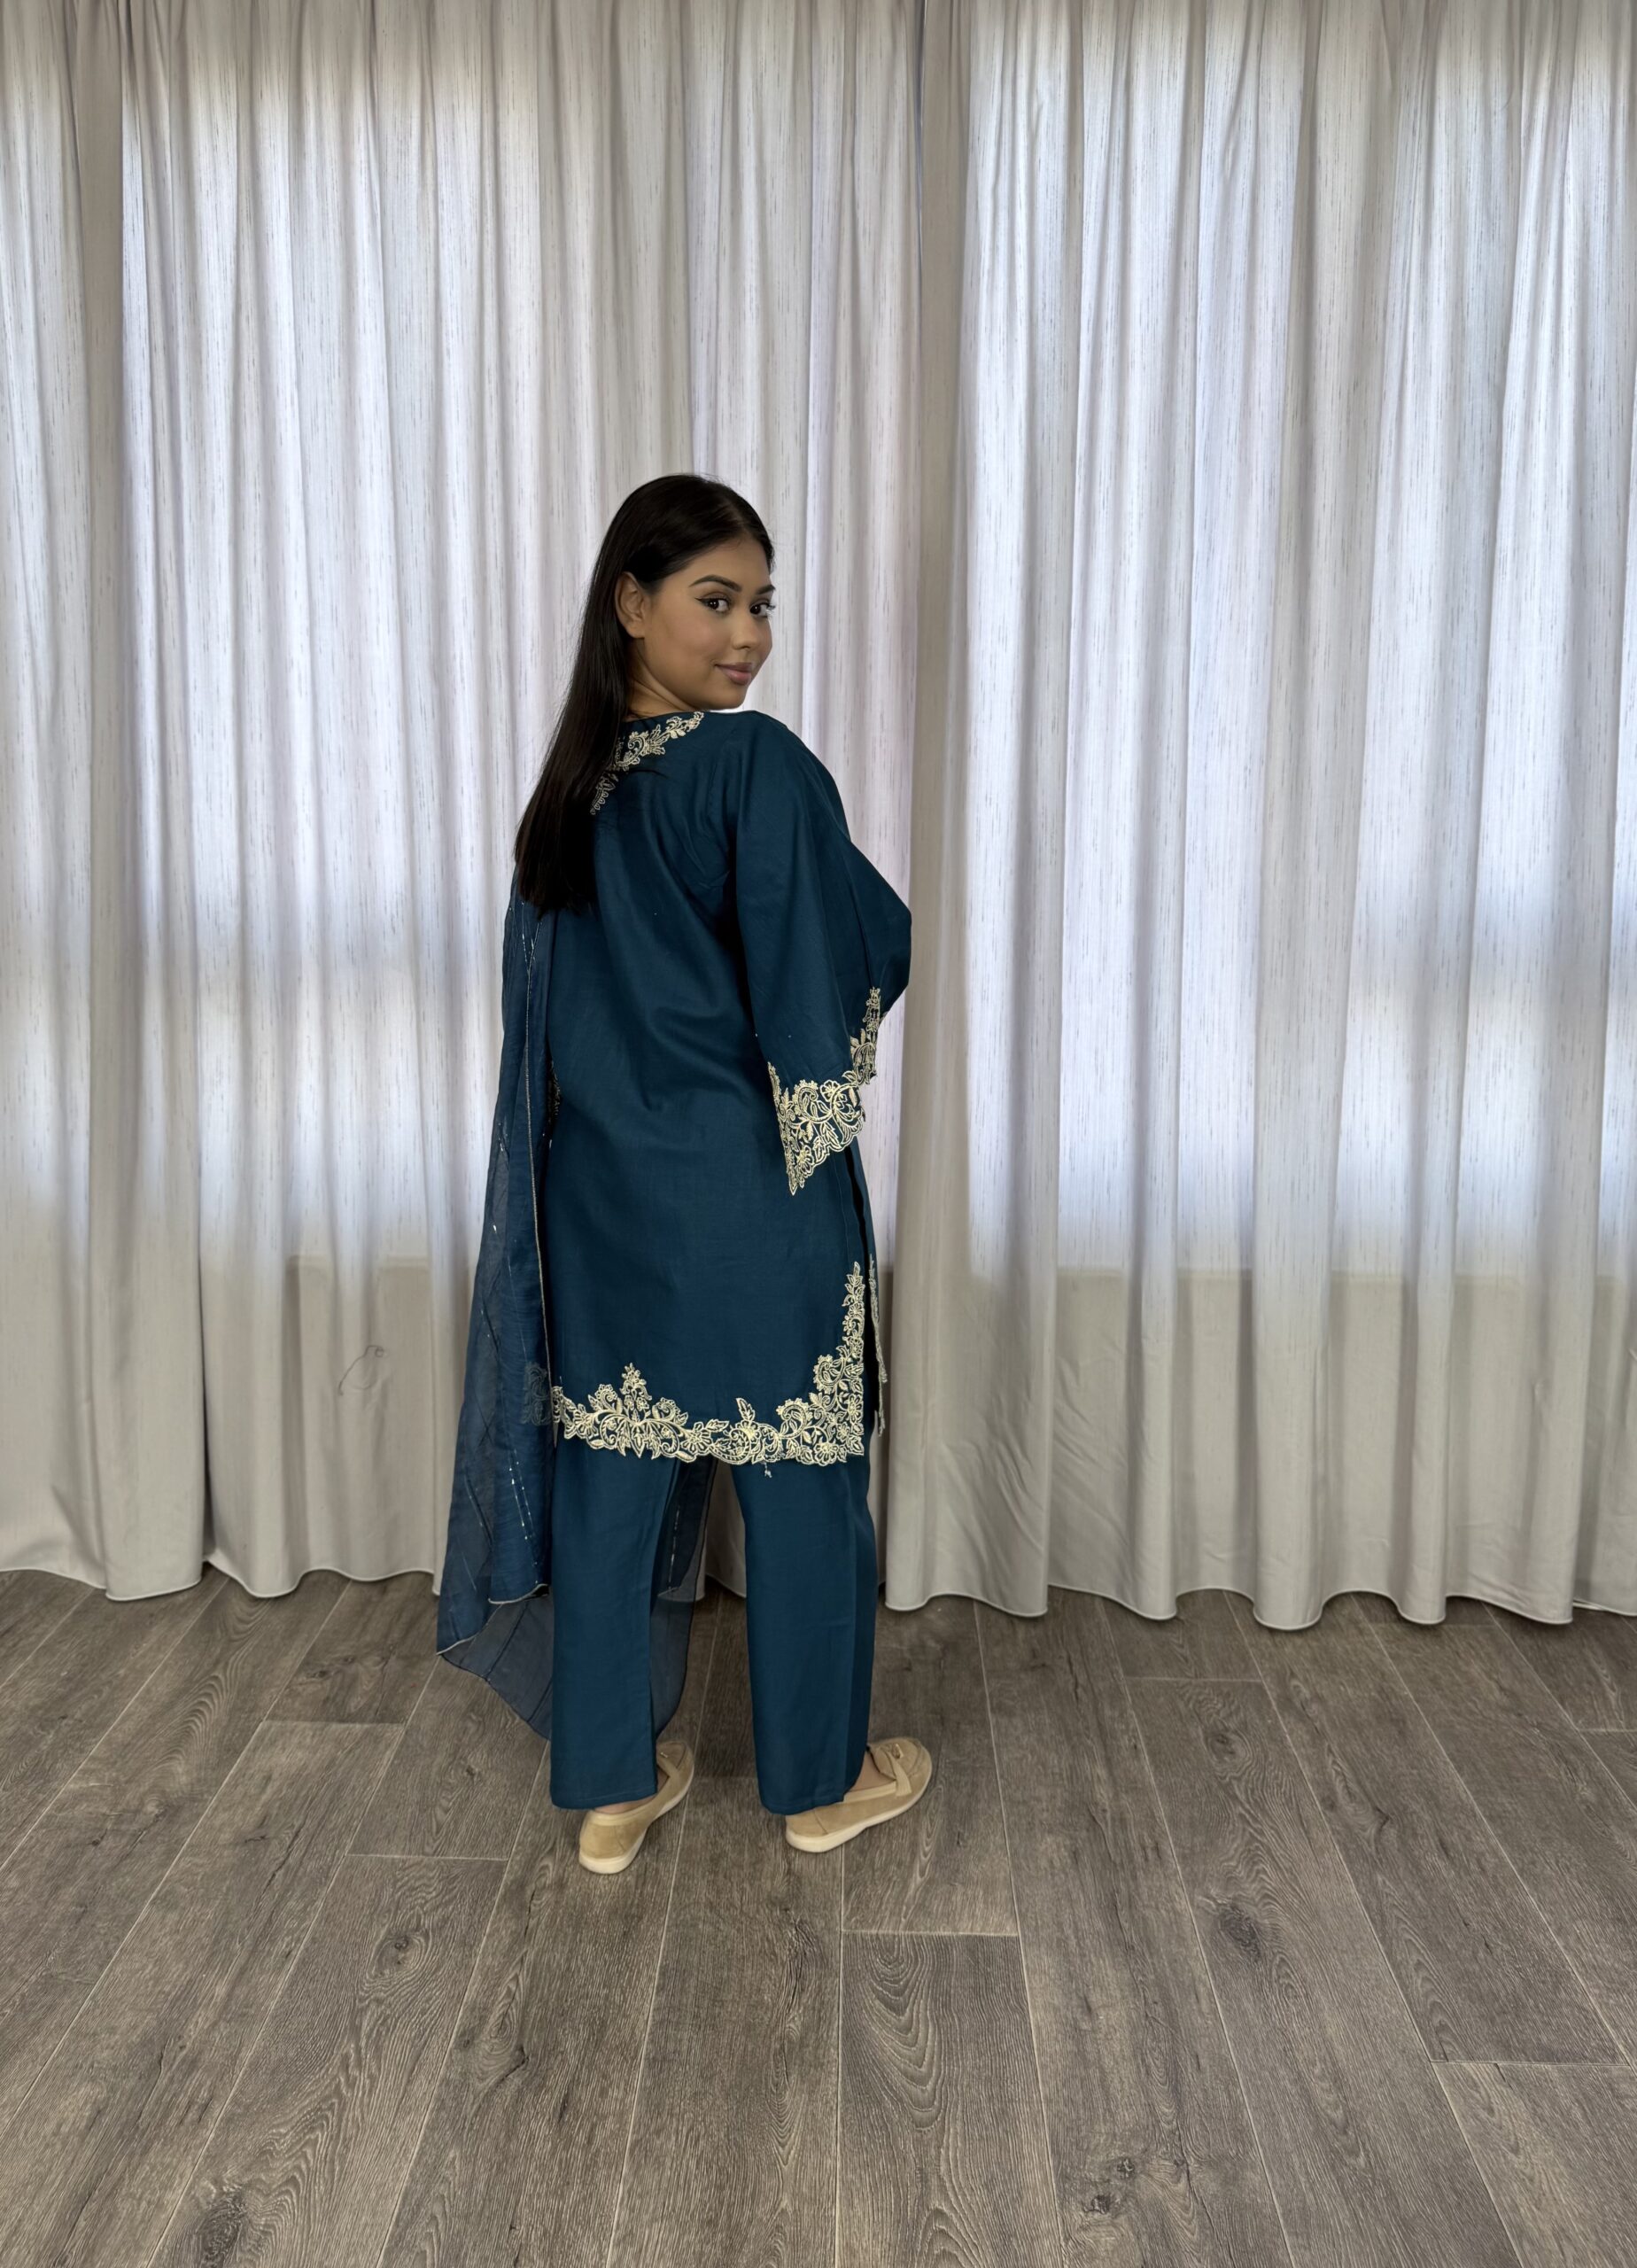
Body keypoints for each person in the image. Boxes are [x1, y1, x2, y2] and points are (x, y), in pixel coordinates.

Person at [435, 472, 933, 1874]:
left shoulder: (569, 801)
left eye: (763, 604)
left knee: (612, 1487)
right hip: (749, 1196)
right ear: (632, 603)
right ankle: (820, 1784)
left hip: (603, 1209)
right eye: (716, 600)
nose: (749, 636)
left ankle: (610, 1788)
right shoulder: (751, 766)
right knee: (802, 1485)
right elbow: (839, 959)